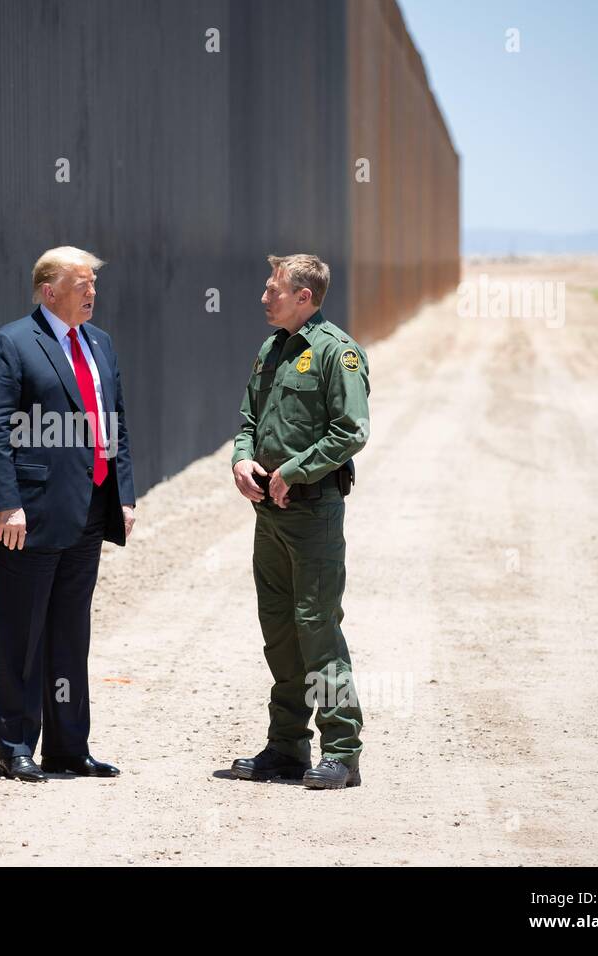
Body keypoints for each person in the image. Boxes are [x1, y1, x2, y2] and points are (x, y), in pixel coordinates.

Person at [0, 246, 136, 782]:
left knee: (70, 632)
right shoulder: (12, 343)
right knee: (23, 634)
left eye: (94, 285)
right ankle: (16, 744)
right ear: (49, 290)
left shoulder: (100, 344)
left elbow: (116, 424)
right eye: (81, 284)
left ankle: (68, 747)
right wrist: (7, 503)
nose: (92, 293)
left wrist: (124, 494)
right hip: (31, 514)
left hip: (88, 510)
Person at [229, 253, 369, 790]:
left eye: (273, 289)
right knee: (280, 630)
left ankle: (342, 750)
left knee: (317, 627)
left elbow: (351, 430)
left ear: (304, 297)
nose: (265, 296)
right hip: (269, 514)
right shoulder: (273, 349)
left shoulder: (338, 354)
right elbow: (247, 418)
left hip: (311, 512)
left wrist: (294, 470)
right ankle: (286, 746)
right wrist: (243, 458)